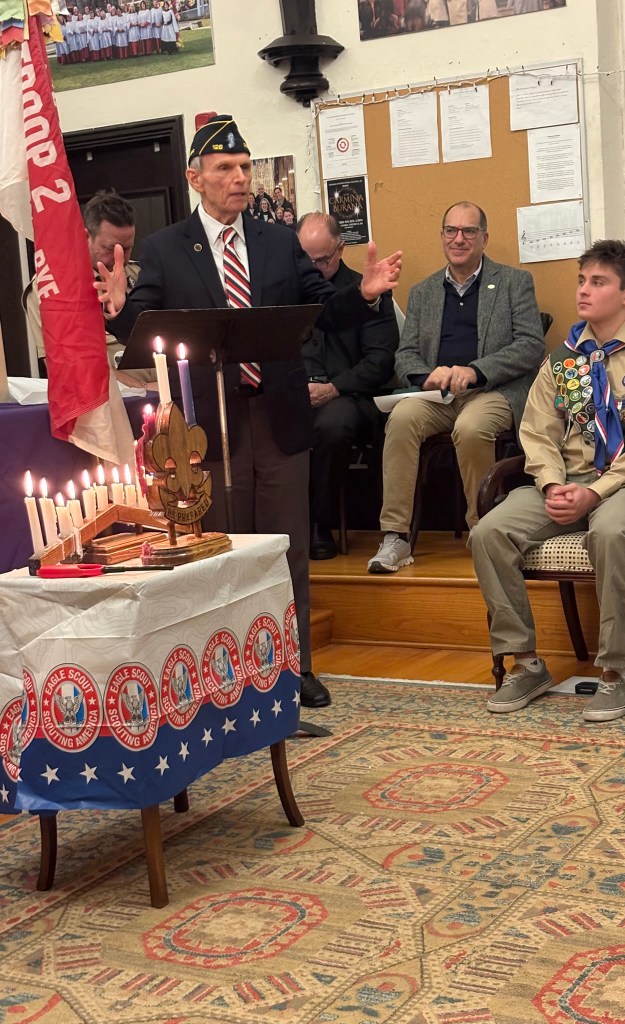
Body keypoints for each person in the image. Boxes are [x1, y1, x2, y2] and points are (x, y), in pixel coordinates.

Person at [97, 115, 401, 709]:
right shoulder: (165, 248)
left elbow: (321, 310)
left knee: (285, 549)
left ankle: (295, 666)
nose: (239, 178)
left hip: (279, 416)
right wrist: (118, 309)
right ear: (195, 178)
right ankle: (225, 673)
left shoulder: (277, 240)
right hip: (207, 427)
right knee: (219, 552)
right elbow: (143, 322)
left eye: (243, 167)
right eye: (225, 169)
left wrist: (362, 295)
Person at [471, 240, 625, 723]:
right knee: (488, 532)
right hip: (565, 481)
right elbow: (537, 433)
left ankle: (615, 673)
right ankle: (526, 663)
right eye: (581, 280)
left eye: (598, 282)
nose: (583, 291)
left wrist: (595, 492)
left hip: (624, 484)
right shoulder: (564, 360)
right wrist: (552, 486)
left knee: (612, 532)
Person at [367, 201, 544, 573]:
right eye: (451, 230)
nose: (458, 239)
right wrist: (424, 376)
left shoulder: (514, 282)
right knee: (401, 419)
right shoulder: (424, 291)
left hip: (492, 391)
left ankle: (483, 529)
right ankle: (396, 536)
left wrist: (476, 371)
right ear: (442, 235)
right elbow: (405, 353)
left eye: (468, 231)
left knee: (471, 427)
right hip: (437, 394)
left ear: (484, 238)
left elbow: (531, 345)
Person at [297, 212, 399, 560]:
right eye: (304, 260)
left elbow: (380, 360)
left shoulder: (365, 289)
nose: (312, 269)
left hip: (348, 396)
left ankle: (319, 523)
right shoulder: (287, 293)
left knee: (333, 425)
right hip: (295, 394)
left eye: (321, 261)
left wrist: (333, 388)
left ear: (340, 249)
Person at [23, 189, 146, 383]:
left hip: (166, 391)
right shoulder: (51, 287)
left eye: (127, 248)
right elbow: (67, 367)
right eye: (109, 248)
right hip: (113, 397)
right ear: (85, 237)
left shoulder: (139, 274)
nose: (119, 257)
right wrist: (143, 388)